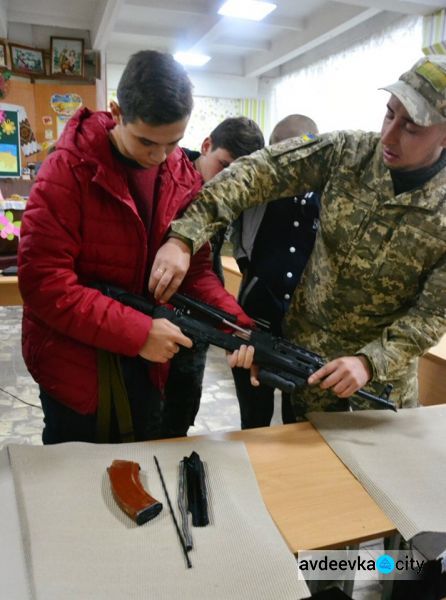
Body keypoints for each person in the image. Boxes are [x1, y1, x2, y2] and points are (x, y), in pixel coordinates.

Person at [149, 54, 446, 418]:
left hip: (381, 387)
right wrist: (185, 236)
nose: (389, 134)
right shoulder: (349, 154)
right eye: (389, 114)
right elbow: (258, 171)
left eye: (412, 127)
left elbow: (433, 314)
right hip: (308, 368)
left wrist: (372, 361)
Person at [18, 50, 252, 444]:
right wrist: (137, 332)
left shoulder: (179, 172)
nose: (159, 156)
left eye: (174, 142)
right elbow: (44, 283)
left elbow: (193, 273)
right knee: (76, 480)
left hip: (147, 367)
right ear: (116, 112)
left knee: (143, 466)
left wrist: (235, 324)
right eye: (147, 142)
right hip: (76, 370)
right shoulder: (67, 170)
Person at [163, 117, 265, 437]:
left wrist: (233, 322)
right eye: (224, 165)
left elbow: (208, 267)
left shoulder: (232, 190)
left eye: (240, 174)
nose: (229, 179)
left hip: (203, 302)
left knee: (183, 401)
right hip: (156, 302)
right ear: (206, 146)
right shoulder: (168, 177)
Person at [231, 114, 320, 428]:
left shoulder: (331, 199)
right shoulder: (257, 191)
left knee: (299, 422)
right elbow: (238, 236)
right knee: (254, 417)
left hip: (307, 334)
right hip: (254, 321)